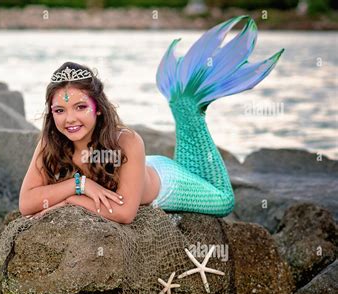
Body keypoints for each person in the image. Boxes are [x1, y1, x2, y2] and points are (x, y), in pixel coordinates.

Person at [19, 15, 284, 224]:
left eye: (80, 107)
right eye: (59, 111)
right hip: (143, 168)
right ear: (50, 112)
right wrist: (79, 185)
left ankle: (188, 107)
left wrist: (70, 201)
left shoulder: (127, 142)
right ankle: (185, 103)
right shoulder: (49, 142)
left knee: (224, 201)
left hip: (167, 182)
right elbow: (27, 203)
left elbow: (123, 213)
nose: (70, 119)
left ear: (98, 108)